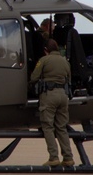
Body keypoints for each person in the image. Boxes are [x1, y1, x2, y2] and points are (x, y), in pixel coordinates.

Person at [29, 38, 74, 167]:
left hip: (49, 95)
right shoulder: (65, 62)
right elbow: (69, 79)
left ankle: (54, 157)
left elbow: (34, 78)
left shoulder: (44, 60)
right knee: (62, 127)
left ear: (45, 50)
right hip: (63, 96)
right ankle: (68, 157)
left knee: (48, 126)